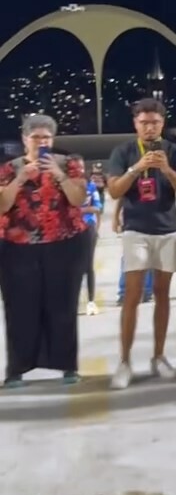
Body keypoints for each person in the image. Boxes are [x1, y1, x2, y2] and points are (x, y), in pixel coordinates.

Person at [106, 98, 176, 390]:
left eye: (154, 122)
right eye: (143, 123)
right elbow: (114, 190)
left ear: (162, 123)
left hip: (168, 230)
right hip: (136, 230)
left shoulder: (175, 151)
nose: (149, 128)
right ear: (135, 124)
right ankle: (124, 361)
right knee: (132, 295)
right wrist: (136, 168)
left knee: (162, 294)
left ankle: (159, 356)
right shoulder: (124, 152)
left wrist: (167, 169)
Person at [0, 114, 87, 388]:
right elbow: (2, 206)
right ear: (24, 139)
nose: (41, 142)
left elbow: (78, 199)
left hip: (64, 244)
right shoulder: (9, 168)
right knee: (19, 307)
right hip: (18, 247)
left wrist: (59, 175)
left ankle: (68, 366)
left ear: (53, 139)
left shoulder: (69, 164)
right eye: (35, 137)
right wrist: (20, 178)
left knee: (63, 305)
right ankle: (17, 368)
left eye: (46, 138)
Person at [113, 203, 153, 306]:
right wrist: (116, 217)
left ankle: (146, 290)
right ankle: (125, 292)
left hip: (155, 219)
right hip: (133, 220)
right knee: (129, 257)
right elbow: (120, 197)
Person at [81, 175, 103, 315]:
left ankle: (91, 301)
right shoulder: (65, 184)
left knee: (88, 265)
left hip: (88, 226)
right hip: (69, 229)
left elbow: (97, 207)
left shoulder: (91, 186)